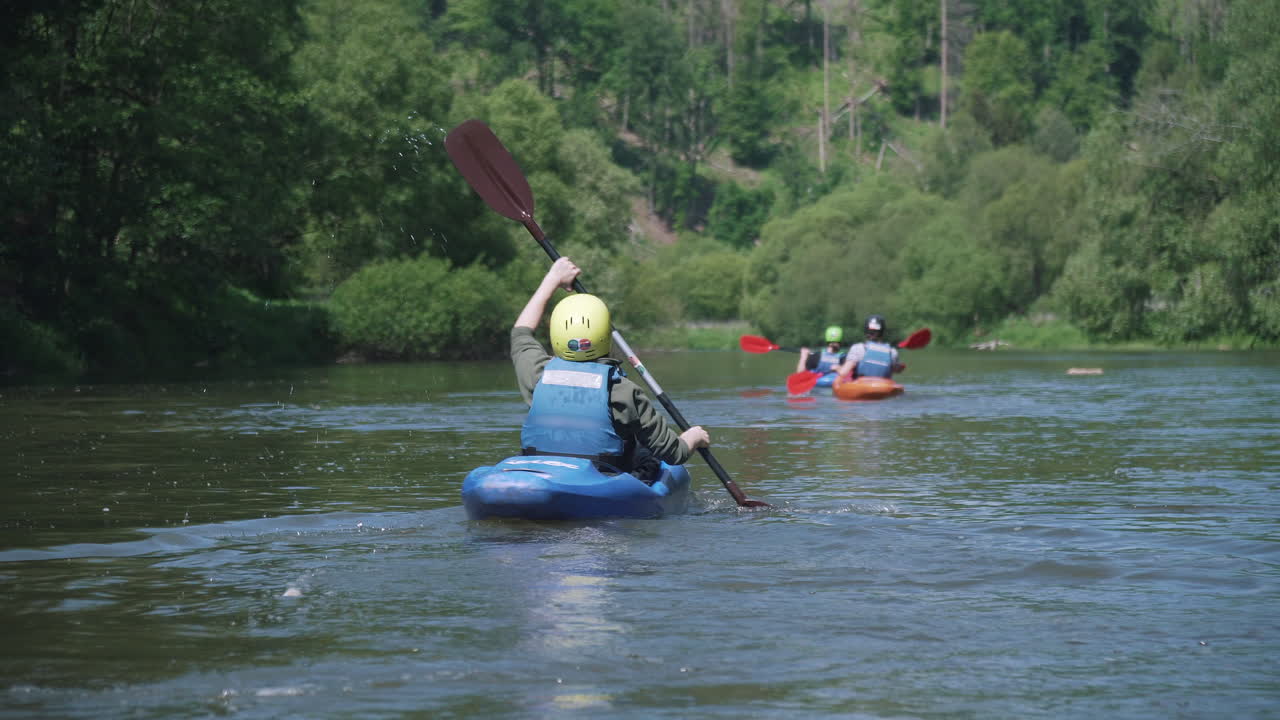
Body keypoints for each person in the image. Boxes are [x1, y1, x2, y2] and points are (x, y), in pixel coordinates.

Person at [510, 257, 710, 480]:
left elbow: (521, 332)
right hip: (600, 481)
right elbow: (674, 453)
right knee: (647, 454)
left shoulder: (536, 373)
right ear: (606, 337)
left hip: (540, 475)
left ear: (555, 336)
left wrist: (552, 279)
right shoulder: (623, 391)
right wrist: (693, 437)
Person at [835, 314, 906, 380]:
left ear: (866, 330)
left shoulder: (857, 348)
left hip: (862, 387)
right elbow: (897, 370)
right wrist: (901, 367)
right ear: (882, 331)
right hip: (883, 387)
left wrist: (836, 368)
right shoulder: (892, 352)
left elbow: (843, 373)